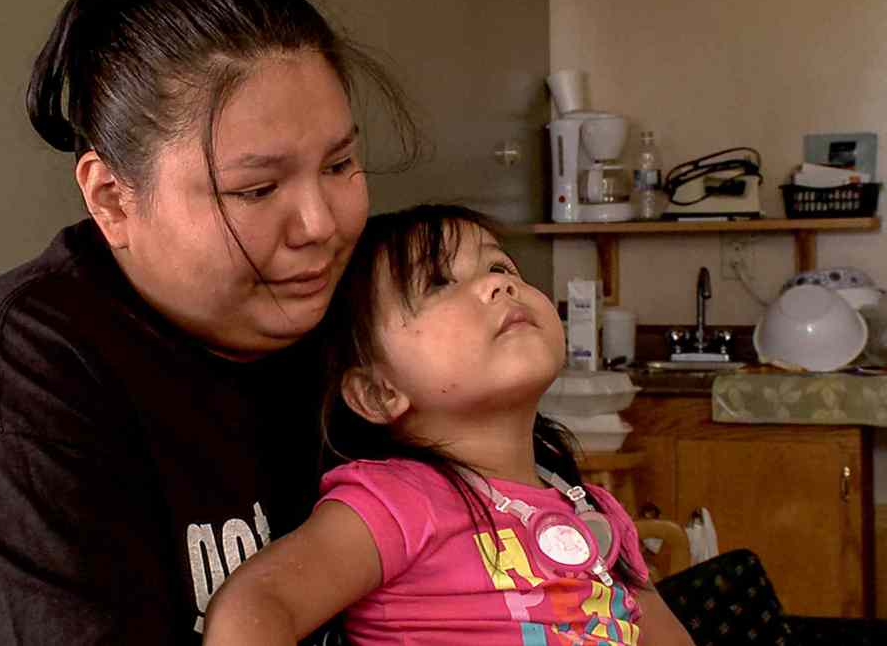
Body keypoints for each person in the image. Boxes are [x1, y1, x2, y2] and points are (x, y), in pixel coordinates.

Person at [0, 0, 421, 644]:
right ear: (112, 199)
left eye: (341, 165)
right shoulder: (21, 399)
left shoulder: (374, 318)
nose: (321, 224)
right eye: (256, 191)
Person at [204, 204, 694, 645]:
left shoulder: (596, 512)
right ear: (378, 394)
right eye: (438, 283)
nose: (499, 284)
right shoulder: (396, 502)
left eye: (500, 266)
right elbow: (256, 606)